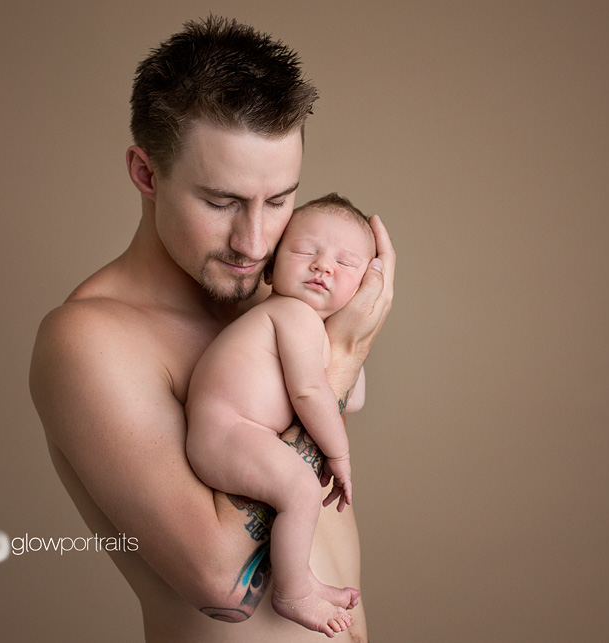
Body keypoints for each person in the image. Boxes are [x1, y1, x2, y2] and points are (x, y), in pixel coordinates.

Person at [28, 15, 395, 643]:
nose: (254, 242)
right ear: (146, 174)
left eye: (279, 200)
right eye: (221, 202)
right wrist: (343, 350)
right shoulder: (90, 339)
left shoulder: (277, 303)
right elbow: (220, 577)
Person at [186, 194, 375, 637]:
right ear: (270, 268)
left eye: (347, 264)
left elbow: (351, 394)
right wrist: (340, 454)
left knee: (298, 492)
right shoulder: (290, 314)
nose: (323, 266)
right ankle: (292, 593)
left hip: (241, 434)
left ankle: (300, 579)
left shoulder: (316, 330)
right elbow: (312, 393)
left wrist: (357, 334)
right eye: (306, 252)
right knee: (302, 490)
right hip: (228, 432)